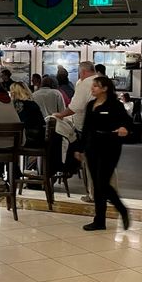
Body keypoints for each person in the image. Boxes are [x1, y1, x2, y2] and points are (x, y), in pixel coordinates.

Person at [74, 75, 132, 231]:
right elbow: (86, 128)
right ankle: (99, 220)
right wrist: (80, 148)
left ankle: (121, 209)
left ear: (105, 89)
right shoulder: (90, 105)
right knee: (97, 184)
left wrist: (124, 129)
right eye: (92, 86)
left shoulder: (115, 105)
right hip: (92, 146)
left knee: (102, 182)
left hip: (110, 146)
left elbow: (127, 122)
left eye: (96, 86)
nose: (92, 89)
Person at [54, 61, 99, 199]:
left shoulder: (85, 83)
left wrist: (60, 115)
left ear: (83, 72)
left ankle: (93, 194)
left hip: (88, 127)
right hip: (103, 128)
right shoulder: (101, 81)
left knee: (91, 163)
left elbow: (76, 107)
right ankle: (106, 193)